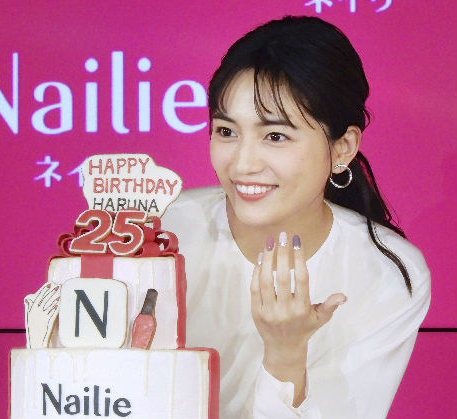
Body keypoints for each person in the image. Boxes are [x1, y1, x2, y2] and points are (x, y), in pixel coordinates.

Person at [161, 15, 430, 419]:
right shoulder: (161, 230)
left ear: (342, 148)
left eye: (275, 136)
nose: (243, 164)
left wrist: (285, 355)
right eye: (226, 131)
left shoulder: (385, 274)